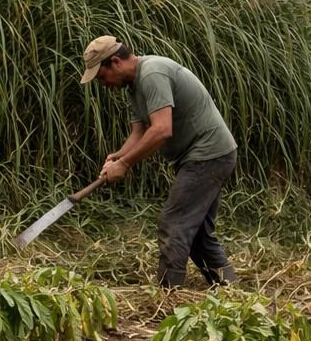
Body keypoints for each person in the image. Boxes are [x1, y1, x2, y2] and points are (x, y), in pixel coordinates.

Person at [80, 35, 238, 288]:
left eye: (101, 76)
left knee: (174, 222)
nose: (103, 83)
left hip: (208, 154)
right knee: (195, 231)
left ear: (116, 62)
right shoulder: (133, 86)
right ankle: (229, 287)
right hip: (202, 156)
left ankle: (168, 293)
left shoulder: (152, 73)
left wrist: (126, 164)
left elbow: (162, 129)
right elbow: (140, 132)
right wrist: (119, 156)